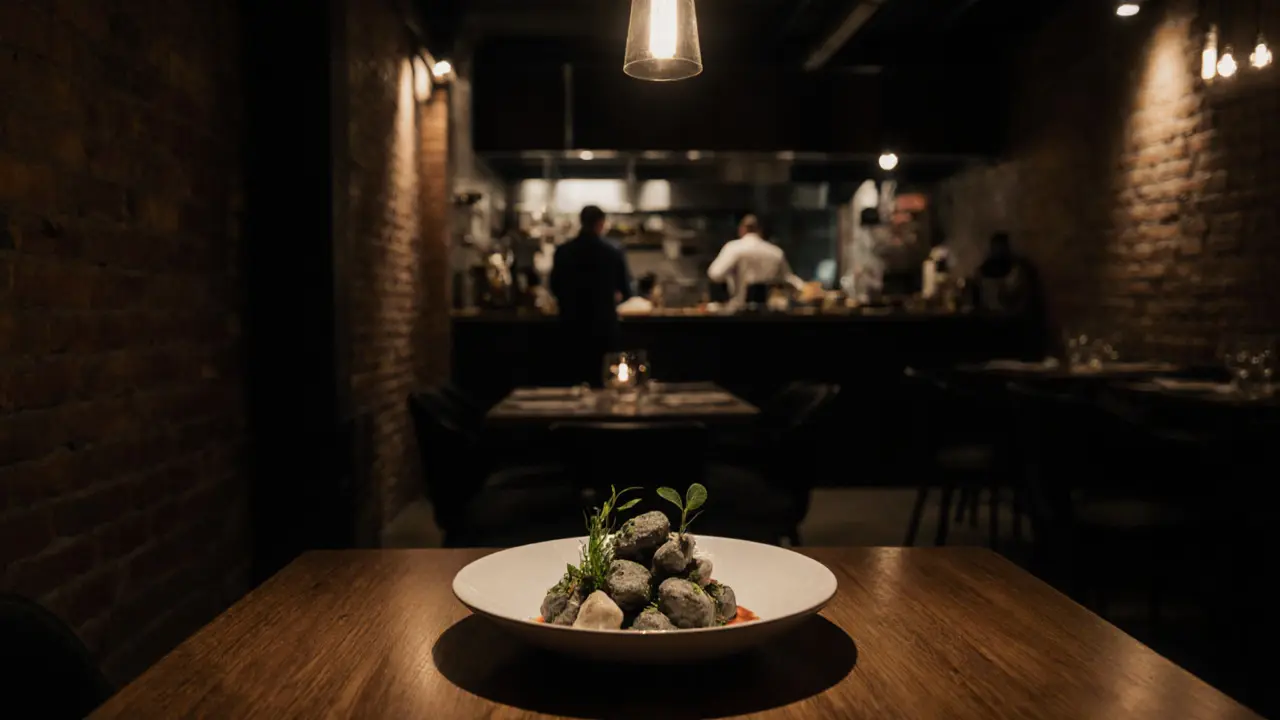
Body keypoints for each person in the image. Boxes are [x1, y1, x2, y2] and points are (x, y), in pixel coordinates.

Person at [549, 205, 634, 385]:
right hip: (604, 329)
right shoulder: (612, 253)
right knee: (604, 383)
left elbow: (554, 287)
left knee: (572, 383)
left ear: (581, 222)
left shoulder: (563, 252)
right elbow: (626, 291)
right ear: (601, 223)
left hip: (571, 328)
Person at [706, 215, 805, 310]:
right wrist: (805, 288)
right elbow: (788, 278)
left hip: (739, 309)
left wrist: (730, 277)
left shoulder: (733, 248)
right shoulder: (776, 252)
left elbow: (715, 274)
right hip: (768, 312)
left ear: (741, 229)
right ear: (760, 230)